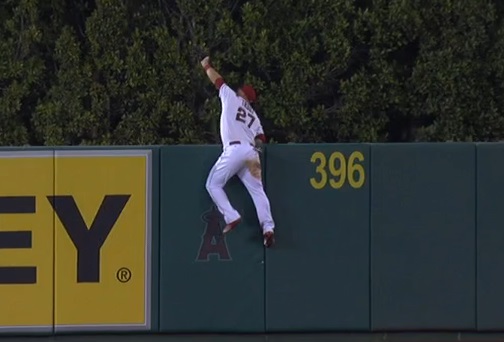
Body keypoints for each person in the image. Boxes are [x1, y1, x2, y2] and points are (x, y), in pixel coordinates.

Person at [200, 56, 275, 247]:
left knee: (213, 184)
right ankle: (268, 228)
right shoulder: (254, 116)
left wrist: (207, 65)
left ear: (242, 93)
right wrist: (255, 149)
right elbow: (261, 139)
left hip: (234, 149)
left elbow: (218, 81)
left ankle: (231, 215)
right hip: (252, 152)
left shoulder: (231, 97)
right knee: (258, 191)